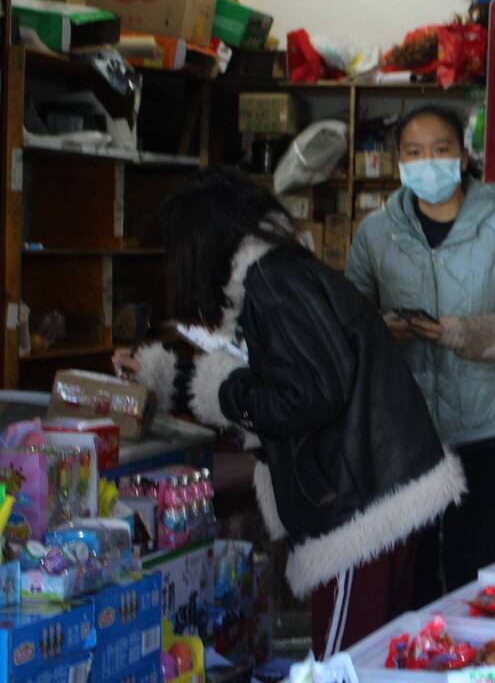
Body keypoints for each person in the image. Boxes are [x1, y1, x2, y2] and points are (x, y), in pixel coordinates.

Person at [114, 167, 465, 657]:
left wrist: (223, 391)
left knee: (344, 662)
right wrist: (169, 378)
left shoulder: (272, 283)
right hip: (378, 489)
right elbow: (282, 380)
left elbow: (307, 395)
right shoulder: (277, 274)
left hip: (361, 508)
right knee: (375, 655)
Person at [346, 105, 495, 602]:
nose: (427, 163)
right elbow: (349, 320)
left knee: (478, 583)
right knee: (407, 584)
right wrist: (382, 331)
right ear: (399, 162)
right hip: (403, 435)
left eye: (440, 150)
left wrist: (457, 333)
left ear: (462, 158)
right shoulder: (375, 234)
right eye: (414, 152)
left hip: (487, 432)